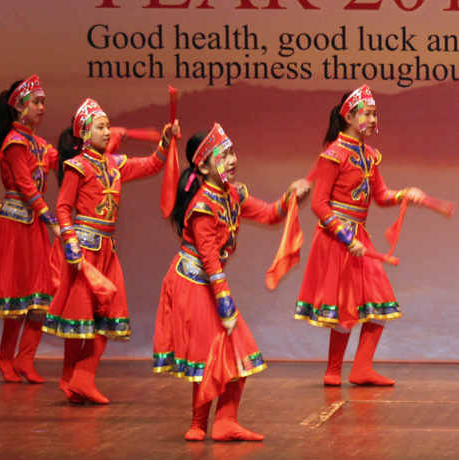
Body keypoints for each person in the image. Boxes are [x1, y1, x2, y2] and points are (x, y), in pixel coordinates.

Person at [153, 123, 310, 441]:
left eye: (232, 152)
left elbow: (268, 214)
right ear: (203, 165)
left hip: (213, 282)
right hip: (193, 282)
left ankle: (225, 422)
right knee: (207, 356)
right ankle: (198, 424)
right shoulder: (201, 207)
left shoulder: (234, 193)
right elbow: (209, 259)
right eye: (222, 156)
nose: (231, 160)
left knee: (239, 353)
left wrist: (290, 198)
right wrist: (224, 300)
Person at [42, 98, 179, 405]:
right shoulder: (77, 166)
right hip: (84, 252)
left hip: (107, 249)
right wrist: (71, 245)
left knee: (106, 314)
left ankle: (79, 378)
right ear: (85, 133)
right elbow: (63, 208)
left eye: (106, 126)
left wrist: (166, 141)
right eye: (100, 127)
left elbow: (152, 165)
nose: (107, 132)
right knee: (82, 317)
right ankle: (75, 379)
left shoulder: (114, 165)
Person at [294, 84, 425, 387]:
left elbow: (379, 195)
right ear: (349, 117)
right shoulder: (333, 155)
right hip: (336, 238)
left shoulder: (370, 155)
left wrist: (405, 194)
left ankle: (361, 368)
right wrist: (344, 236)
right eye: (366, 113)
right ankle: (332, 371)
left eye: (375, 113)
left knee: (380, 302)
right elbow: (318, 204)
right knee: (345, 307)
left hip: (359, 237)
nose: (372, 119)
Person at [0, 75, 61, 383]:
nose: (42, 107)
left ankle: (25, 358)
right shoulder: (14, 142)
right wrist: (49, 219)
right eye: (36, 102)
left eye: (43, 102)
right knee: (17, 294)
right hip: (16, 223)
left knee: (42, 294)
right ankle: (4, 356)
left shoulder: (39, 144)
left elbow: (62, 160)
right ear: (19, 107)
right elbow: (26, 185)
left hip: (35, 223)